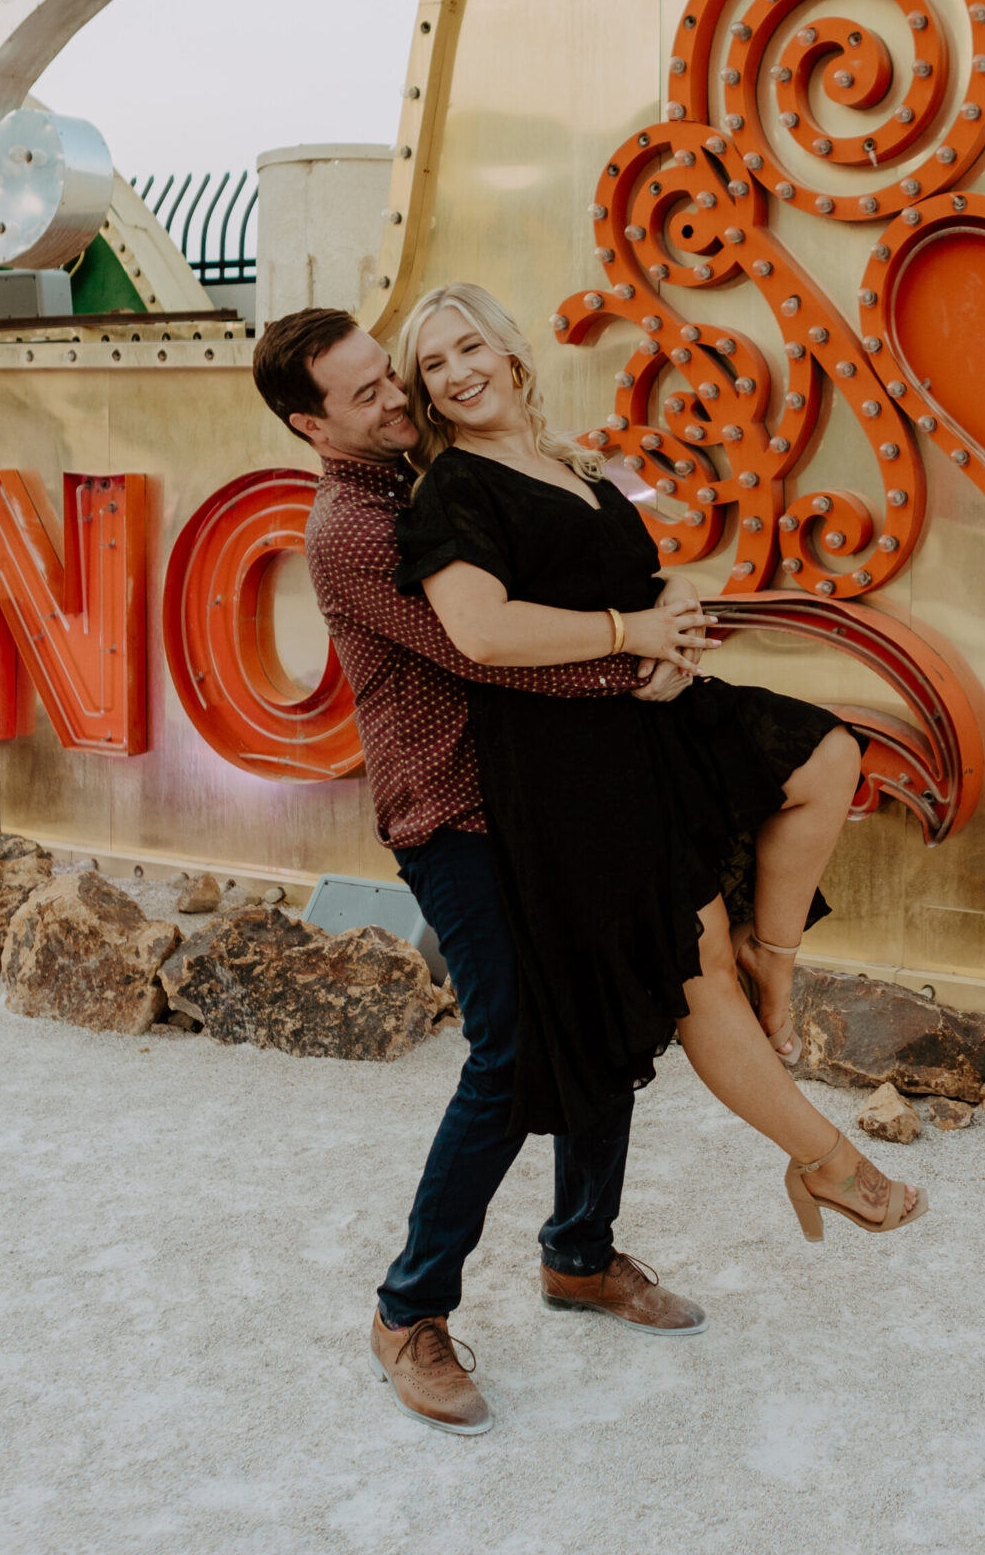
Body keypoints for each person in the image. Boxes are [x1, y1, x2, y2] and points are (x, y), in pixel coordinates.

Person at [252, 307, 712, 1442]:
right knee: (508, 1049)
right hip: (453, 815)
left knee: (607, 1010)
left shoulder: (444, 471)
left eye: (388, 375)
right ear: (312, 426)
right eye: (365, 398)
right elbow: (486, 653)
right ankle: (410, 1310)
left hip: (549, 797)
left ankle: (580, 1254)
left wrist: (655, 636)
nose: (399, 398)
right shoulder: (352, 532)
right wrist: (640, 653)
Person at [389, 283, 927, 1249]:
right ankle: (830, 1164)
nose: (459, 373)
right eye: (434, 364)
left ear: (510, 352)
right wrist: (628, 629)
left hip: (649, 726)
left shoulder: (568, 461)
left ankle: (780, 954)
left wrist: (671, 609)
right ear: (424, 393)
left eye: (470, 347)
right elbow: (479, 632)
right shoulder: (454, 488)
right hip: (571, 764)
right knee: (695, 975)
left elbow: (636, 576)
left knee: (826, 755)